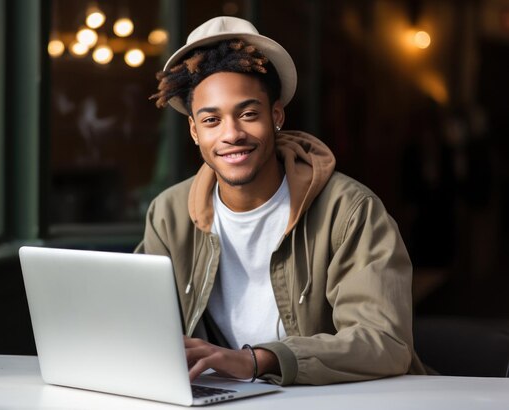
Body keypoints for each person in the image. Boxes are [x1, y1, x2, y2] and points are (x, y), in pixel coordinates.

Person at [136, 16, 426, 386]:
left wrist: (260, 360)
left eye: (248, 114)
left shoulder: (349, 211)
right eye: (211, 120)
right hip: (229, 396)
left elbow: (384, 341)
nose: (232, 134)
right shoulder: (169, 213)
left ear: (276, 116)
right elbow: (143, 325)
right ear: (194, 130)